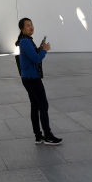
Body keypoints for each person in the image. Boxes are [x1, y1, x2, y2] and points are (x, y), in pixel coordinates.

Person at [15, 17, 62, 145]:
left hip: (30, 78)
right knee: (43, 105)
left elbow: (33, 56)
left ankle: (38, 136)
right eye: (28, 25)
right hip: (32, 79)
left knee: (35, 106)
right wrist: (44, 50)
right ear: (22, 29)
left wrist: (40, 49)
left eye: (32, 24)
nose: (31, 27)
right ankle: (47, 135)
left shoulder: (27, 40)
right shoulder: (25, 42)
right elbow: (36, 59)